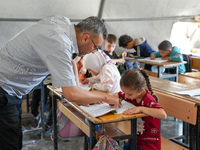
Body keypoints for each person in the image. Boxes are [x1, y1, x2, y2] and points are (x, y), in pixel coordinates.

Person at [0, 15, 119, 150]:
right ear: (85, 38)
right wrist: (107, 97)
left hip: (10, 89)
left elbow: (72, 66)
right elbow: (71, 94)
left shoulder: (63, 23)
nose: (94, 51)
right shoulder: (59, 43)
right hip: (4, 89)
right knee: (10, 144)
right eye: (95, 47)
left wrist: (81, 94)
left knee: (14, 138)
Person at [115, 69, 167, 150]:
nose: (126, 96)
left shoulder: (148, 100)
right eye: (125, 93)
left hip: (148, 144)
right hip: (135, 140)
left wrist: (140, 109)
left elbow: (163, 114)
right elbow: (118, 94)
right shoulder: (133, 95)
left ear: (141, 90)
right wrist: (116, 100)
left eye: (129, 94)